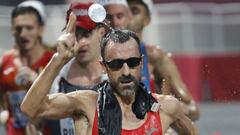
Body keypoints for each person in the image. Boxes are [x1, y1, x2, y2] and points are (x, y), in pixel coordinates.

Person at [21, 12, 198, 134]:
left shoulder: (166, 108)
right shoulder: (88, 104)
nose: (126, 71)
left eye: (133, 62)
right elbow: (30, 109)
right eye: (116, 64)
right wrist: (58, 60)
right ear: (104, 67)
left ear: (141, 62)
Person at [99, 0, 200, 121]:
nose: (117, 20)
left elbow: (192, 108)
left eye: (134, 11)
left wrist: (163, 108)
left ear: (146, 19)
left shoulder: (154, 56)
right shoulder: (91, 56)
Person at [47, 2, 107, 135]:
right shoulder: (55, 77)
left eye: (86, 34)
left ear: (101, 32)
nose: (79, 43)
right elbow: (32, 111)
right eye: (75, 34)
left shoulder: (116, 75)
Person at [0, 1, 54, 135]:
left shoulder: (53, 61)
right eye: (18, 28)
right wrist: (3, 114)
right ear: (12, 29)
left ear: (40, 29)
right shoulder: (5, 62)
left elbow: (65, 100)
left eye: (29, 28)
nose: (23, 34)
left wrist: (38, 83)